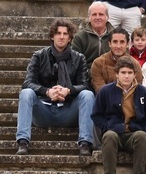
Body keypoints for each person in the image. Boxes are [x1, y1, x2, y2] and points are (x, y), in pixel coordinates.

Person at [16, 19, 94, 156]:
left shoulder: (79, 58)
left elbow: (85, 85)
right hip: (44, 110)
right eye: (58, 33)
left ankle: (85, 143)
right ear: (52, 36)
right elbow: (27, 82)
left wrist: (69, 90)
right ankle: (23, 142)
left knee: (88, 95)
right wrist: (47, 91)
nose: (61, 36)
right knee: (26, 93)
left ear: (70, 38)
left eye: (65, 34)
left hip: (69, 111)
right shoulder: (39, 56)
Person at [92, 56, 146, 174]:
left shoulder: (144, 93)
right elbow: (96, 115)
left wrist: (138, 126)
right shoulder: (105, 91)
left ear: (134, 74)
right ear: (117, 74)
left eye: (130, 73)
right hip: (114, 132)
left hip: (133, 132)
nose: (126, 76)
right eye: (123, 73)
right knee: (109, 136)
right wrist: (108, 125)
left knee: (142, 136)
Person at [91, 27, 143, 93]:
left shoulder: (135, 64)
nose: (118, 46)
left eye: (122, 42)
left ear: (127, 44)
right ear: (109, 44)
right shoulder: (98, 63)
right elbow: (100, 90)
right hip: (106, 100)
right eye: (115, 42)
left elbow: (137, 89)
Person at [72, 1, 114, 72]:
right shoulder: (79, 37)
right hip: (88, 74)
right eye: (94, 14)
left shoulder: (116, 35)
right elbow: (76, 63)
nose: (98, 17)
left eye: (101, 14)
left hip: (111, 73)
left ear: (107, 17)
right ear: (89, 17)